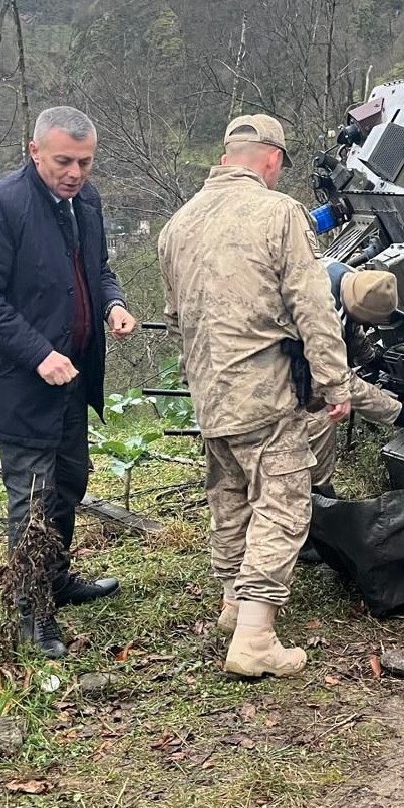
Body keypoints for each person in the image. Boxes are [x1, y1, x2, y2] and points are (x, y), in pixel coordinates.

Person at [157, 113, 352, 680]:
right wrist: (334, 383)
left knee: (230, 495)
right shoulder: (279, 213)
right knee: (285, 501)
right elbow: (314, 307)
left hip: (210, 394)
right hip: (265, 392)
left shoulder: (178, 225)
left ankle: (231, 605)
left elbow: (176, 321)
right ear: (271, 159)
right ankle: (255, 636)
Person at [0, 106, 137, 659]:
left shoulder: (88, 202)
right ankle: (31, 611)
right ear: (35, 152)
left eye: (84, 161)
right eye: (63, 161)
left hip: (74, 378)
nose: (75, 172)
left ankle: (54, 578)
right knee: (31, 499)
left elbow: (96, 268)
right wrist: (39, 354)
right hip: (20, 383)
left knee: (69, 483)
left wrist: (114, 303)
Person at [309, 260, 404, 491]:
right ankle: (316, 490)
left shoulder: (348, 277)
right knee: (320, 415)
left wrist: (371, 358)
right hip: (265, 368)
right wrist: (398, 411)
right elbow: (339, 381)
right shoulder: (322, 315)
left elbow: (351, 325)